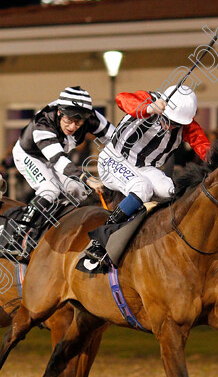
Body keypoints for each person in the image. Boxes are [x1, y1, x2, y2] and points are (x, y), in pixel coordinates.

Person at [83, 84, 211, 262]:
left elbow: (203, 145)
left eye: (177, 124)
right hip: (114, 159)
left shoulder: (185, 123)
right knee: (142, 188)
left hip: (145, 167)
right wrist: (148, 108)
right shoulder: (149, 99)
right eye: (170, 121)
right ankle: (101, 239)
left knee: (170, 190)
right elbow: (121, 98)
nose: (171, 127)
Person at [1, 86, 115, 257]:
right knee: (50, 190)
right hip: (31, 155)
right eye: (69, 120)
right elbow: (59, 162)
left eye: (79, 122)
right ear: (60, 112)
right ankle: (17, 236)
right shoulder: (43, 123)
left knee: (78, 191)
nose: (73, 126)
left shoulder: (92, 118)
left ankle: (55, 226)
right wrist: (88, 178)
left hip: (55, 156)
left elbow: (117, 139)